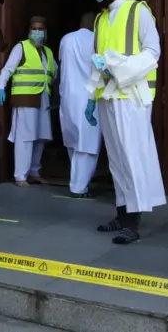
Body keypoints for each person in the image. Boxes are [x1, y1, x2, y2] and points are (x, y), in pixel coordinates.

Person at [85, 0, 166, 245]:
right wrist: (90, 98)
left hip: (132, 95)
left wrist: (120, 69)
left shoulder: (137, 10)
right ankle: (121, 214)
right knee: (117, 160)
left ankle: (133, 222)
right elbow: (98, 60)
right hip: (108, 96)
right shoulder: (100, 19)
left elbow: (153, 51)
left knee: (132, 157)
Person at [0, 16, 57, 187]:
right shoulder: (21, 47)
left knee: (41, 137)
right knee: (25, 138)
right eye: (34, 29)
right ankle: (20, 175)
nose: (37, 32)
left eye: (40, 29)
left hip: (43, 99)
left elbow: (55, 75)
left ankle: (34, 172)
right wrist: (1, 87)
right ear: (29, 31)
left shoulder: (48, 52)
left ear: (45, 32)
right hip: (25, 98)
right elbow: (7, 69)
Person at [59, 12, 102, 198]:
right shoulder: (97, 40)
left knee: (73, 141)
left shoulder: (66, 39)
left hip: (68, 95)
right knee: (88, 144)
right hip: (88, 96)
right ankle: (79, 187)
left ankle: (76, 181)